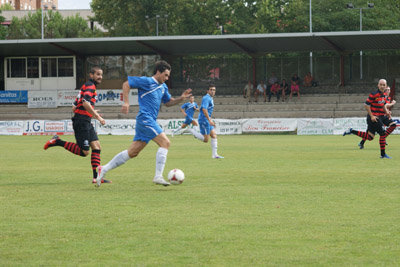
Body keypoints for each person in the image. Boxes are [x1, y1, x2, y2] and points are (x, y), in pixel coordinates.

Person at [96, 60, 191, 187]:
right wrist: (126, 102)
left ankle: (104, 169)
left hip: (149, 120)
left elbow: (168, 102)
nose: (167, 78)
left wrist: (180, 99)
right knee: (165, 142)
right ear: (158, 72)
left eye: (168, 76)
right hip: (145, 119)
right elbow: (126, 84)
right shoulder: (147, 81)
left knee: (132, 152)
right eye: (166, 75)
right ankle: (158, 176)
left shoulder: (163, 87)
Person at [43, 66, 109, 184]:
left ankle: (97, 178)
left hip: (85, 120)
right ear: (91, 75)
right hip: (81, 121)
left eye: (101, 74)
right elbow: (85, 103)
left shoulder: (85, 86)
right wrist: (97, 117)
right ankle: (57, 141)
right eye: (98, 74)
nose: (100, 77)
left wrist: (90, 113)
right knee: (84, 152)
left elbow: (74, 106)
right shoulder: (90, 86)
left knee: (97, 147)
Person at [343, 79, 397, 158]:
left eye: (384, 85)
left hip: (381, 116)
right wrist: (371, 116)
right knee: (382, 134)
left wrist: (387, 113)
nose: (382, 86)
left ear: (385, 86)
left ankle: (351, 131)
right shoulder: (374, 94)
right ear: (378, 85)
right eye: (381, 84)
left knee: (370, 137)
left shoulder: (385, 95)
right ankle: (383, 154)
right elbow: (366, 105)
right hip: (374, 117)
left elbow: (383, 106)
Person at [187, 84, 224, 159]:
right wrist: (209, 120)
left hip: (207, 119)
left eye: (214, 90)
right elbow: (204, 109)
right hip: (204, 120)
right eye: (211, 90)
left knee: (213, 135)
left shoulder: (210, 98)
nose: (213, 91)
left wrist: (210, 119)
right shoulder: (206, 98)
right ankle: (191, 131)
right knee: (206, 139)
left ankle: (215, 155)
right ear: (207, 91)